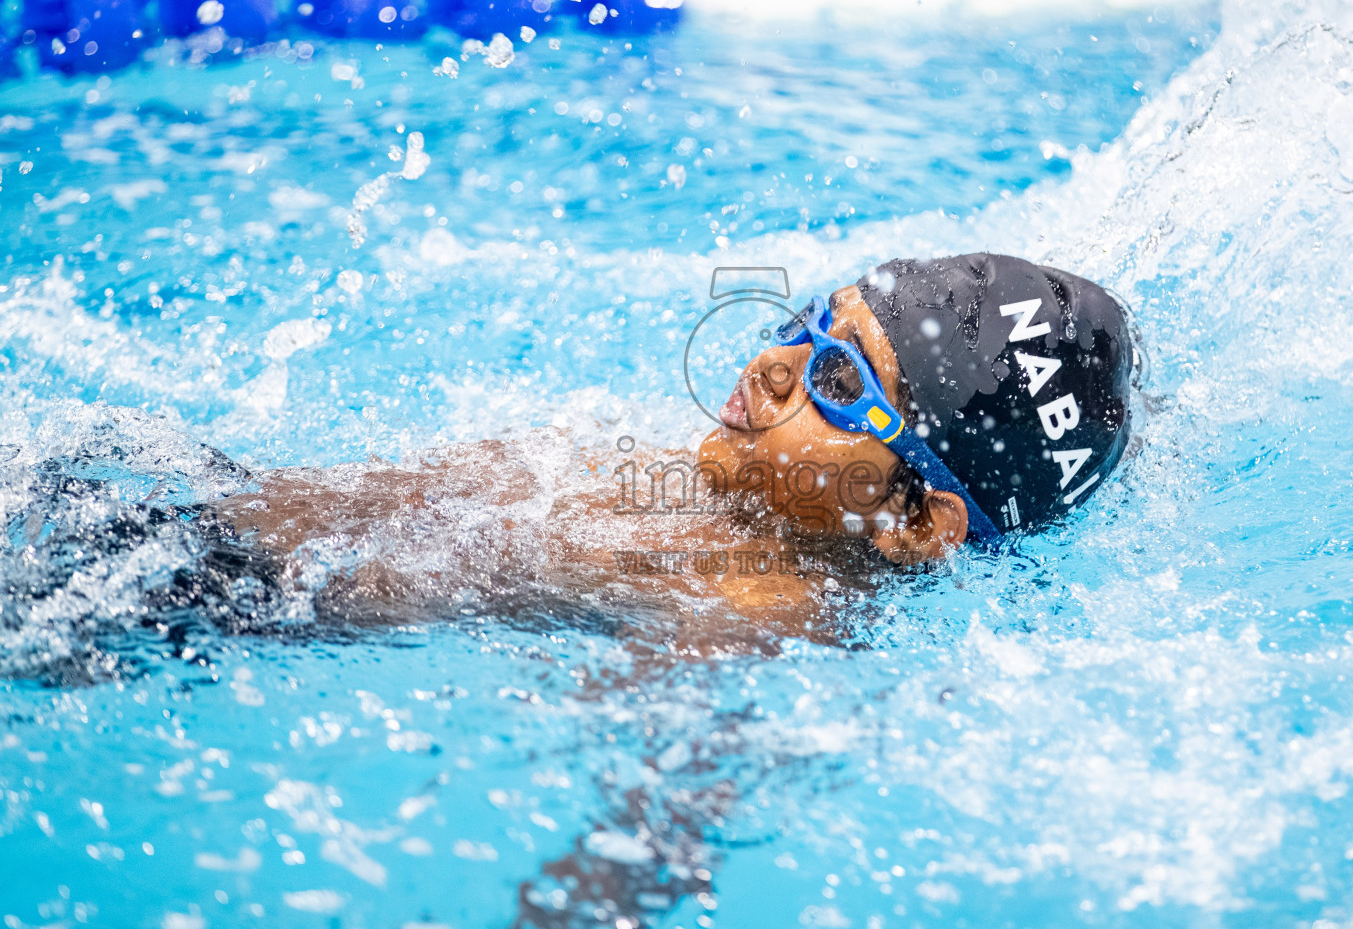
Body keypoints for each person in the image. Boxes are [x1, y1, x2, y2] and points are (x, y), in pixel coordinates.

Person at [204, 252, 1137, 649]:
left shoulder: (758, 614)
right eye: (810, 325)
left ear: (909, 522)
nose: (772, 361)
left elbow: (649, 817)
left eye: (840, 383)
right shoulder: (737, 497)